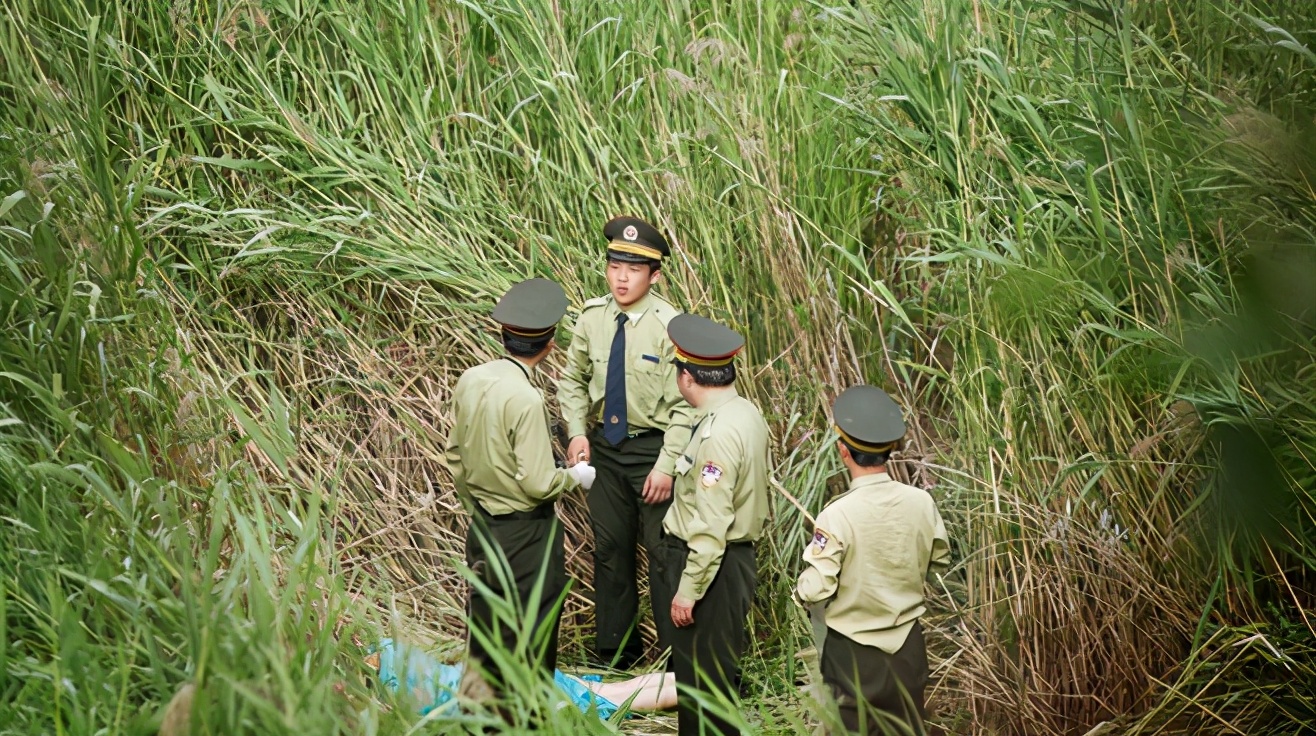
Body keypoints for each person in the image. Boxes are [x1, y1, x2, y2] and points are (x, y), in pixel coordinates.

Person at [443, 278, 598, 703]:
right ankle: (526, 719)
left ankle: (481, 718)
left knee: (487, 626)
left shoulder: (471, 379)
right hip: (526, 534)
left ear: (503, 335)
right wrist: (575, 477)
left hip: (483, 528)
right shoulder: (526, 399)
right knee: (533, 628)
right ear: (549, 344)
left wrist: (479, 504)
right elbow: (536, 483)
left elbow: (454, 456)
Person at [558, 216, 695, 668]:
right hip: (606, 451)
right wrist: (578, 431)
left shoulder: (670, 326)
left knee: (663, 555)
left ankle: (677, 666)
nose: (621, 277)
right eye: (615, 265)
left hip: (652, 451)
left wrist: (668, 464)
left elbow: (685, 405)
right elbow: (572, 380)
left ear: (654, 275)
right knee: (610, 552)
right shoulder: (591, 317)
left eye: (634, 269)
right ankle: (617, 658)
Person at [794, 385, 951, 735]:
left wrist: (799, 591)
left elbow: (817, 588)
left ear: (843, 451)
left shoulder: (837, 515)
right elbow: (937, 562)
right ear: (890, 450)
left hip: (854, 654)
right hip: (908, 648)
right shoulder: (920, 502)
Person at [649, 313, 771, 736]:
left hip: (709, 570)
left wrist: (687, 591)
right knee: (711, 683)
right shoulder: (745, 412)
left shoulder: (716, 434)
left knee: (704, 690)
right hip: (730, 564)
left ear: (686, 378)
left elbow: (711, 526)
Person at [366, 638, 679, 719]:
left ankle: (700, 689)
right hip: (509, 674)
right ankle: (698, 681)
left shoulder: (391, 690)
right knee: (610, 690)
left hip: (512, 696)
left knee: (615, 698)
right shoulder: (390, 648)